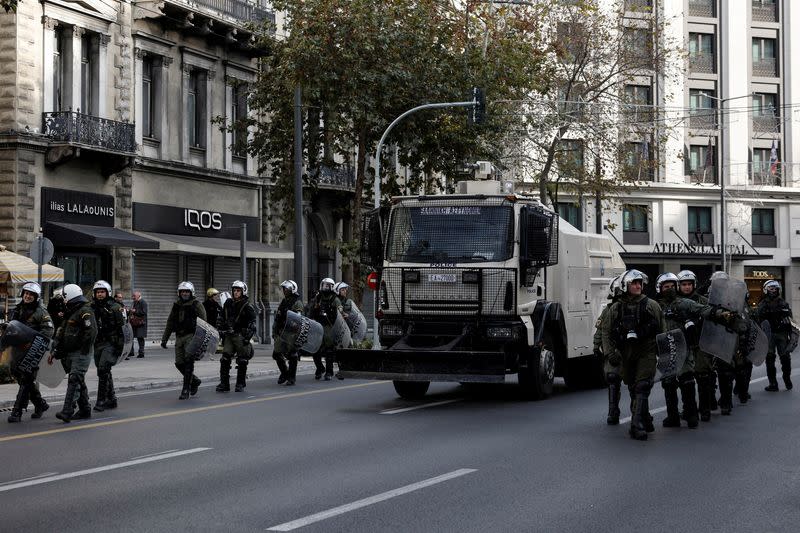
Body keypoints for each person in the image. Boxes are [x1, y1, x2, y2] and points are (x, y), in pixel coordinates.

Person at [602, 269, 666, 441]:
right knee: (633, 387)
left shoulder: (652, 305)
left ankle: (636, 425)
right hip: (625, 353)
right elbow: (606, 333)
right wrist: (610, 353)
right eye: (634, 283)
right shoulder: (616, 308)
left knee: (642, 386)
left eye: (640, 283)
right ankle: (645, 418)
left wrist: (664, 354)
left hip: (647, 351)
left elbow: (662, 331)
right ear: (625, 285)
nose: (638, 286)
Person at [6, 282, 55, 423]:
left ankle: (17, 411)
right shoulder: (18, 309)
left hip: (33, 350)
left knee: (27, 379)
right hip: (18, 350)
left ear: (36, 297)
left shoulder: (41, 312)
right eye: (26, 293)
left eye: (31, 295)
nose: (27, 296)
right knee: (18, 375)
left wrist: (33, 341)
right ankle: (40, 404)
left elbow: (48, 331)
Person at [52, 284, 97, 423]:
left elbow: (92, 332)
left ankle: (67, 410)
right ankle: (85, 410)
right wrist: (57, 349)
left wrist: (83, 349)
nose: (62, 300)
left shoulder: (85, 311)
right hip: (71, 352)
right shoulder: (71, 311)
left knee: (74, 379)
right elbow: (62, 331)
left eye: (64, 297)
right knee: (79, 380)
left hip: (81, 353)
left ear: (69, 296)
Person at [677, 270, 715, 422]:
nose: (686, 287)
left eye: (689, 284)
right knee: (685, 380)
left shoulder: (703, 301)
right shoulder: (676, 302)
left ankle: (705, 410)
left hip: (700, 344)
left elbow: (712, 320)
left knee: (703, 377)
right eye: (683, 284)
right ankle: (688, 410)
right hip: (683, 345)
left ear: (694, 285)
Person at [161, 281, 206, 400]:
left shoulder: (197, 304)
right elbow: (170, 322)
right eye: (182, 292)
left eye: (187, 291)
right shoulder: (176, 305)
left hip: (191, 336)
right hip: (179, 337)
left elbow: (203, 322)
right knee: (179, 363)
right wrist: (164, 339)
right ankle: (195, 381)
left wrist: (201, 340)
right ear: (179, 293)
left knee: (188, 362)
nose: (184, 294)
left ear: (191, 292)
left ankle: (186, 389)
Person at [216, 281, 258, 393]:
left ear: (243, 291)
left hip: (240, 335)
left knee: (242, 360)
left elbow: (253, 323)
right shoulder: (228, 303)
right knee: (225, 358)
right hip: (229, 335)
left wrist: (247, 337)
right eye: (234, 290)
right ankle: (224, 384)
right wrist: (220, 328)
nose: (236, 292)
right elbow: (221, 316)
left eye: (238, 290)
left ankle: (240, 384)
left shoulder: (247, 306)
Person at [91, 280, 126, 412]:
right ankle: (112, 399)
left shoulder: (115, 307)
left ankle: (101, 400)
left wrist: (120, 347)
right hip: (98, 342)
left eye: (102, 292)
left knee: (102, 368)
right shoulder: (91, 307)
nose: (100, 294)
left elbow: (123, 328)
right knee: (103, 370)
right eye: (98, 292)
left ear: (108, 293)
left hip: (111, 342)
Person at [593, 275, 623, 425]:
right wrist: (596, 345)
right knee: (612, 378)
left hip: (632, 350)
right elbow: (601, 329)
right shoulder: (608, 310)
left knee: (638, 384)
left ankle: (639, 412)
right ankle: (613, 410)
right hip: (613, 349)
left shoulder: (640, 306)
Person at [756, 280, 794, 392]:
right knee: (769, 359)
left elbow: (790, 319)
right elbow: (758, 319)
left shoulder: (783, 303)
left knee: (785, 358)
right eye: (771, 288)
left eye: (775, 289)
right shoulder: (762, 303)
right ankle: (773, 383)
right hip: (769, 335)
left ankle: (787, 378)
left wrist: (790, 332)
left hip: (782, 334)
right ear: (766, 290)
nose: (774, 291)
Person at [308, 278, 343, 380]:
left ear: (331, 287)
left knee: (329, 351)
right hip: (318, 326)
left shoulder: (334, 299)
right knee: (315, 349)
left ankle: (329, 372)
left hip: (329, 327)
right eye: (323, 285)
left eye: (327, 285)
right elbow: (311, 309)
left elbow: (340, 311)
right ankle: (320, 368)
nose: (325, 287)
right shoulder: (317, 298)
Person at [272, 280, 305, 386]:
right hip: (281, 332)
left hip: (292, 333)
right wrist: (275, 330)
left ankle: (291, 378)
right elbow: (278, 317)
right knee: (276, 354)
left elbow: (299, 319)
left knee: (292, 355)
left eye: (287, 289)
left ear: (292, 290)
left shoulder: (297, 302)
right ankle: (285, 373)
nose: (285, 291)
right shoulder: (284, 301)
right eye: (284, 289)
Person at [128, 290, 148, 358]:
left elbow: (144, 312)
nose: (133, 297)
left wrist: (135, 311)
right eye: (132, 296)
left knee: (140, 338)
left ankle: (141, 353)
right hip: (134, 323)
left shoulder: (143, 302)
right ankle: (131, 352)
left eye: (134, 296)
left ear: (139, 296)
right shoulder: (134, 302)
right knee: (131, 337)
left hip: (141, 323)